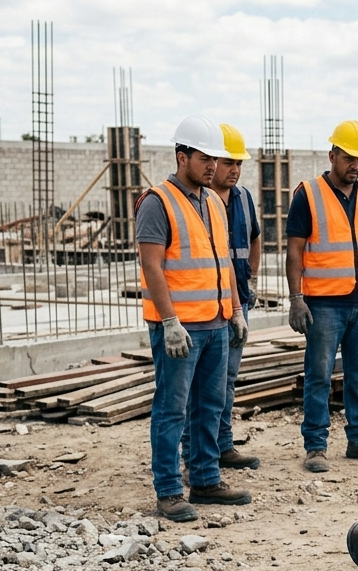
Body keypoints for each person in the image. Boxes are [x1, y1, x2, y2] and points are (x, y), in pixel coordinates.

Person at [136, 115, 250, 523]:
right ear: (182, 156)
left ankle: (204, 478)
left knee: (209, 405)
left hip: (216, 323)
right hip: (180, 329)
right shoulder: (157, 202)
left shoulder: (215, 203)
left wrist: (235, 310)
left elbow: (223, 264)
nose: (213, 166)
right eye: (205, 158)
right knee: (172, 409)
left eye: (216, 159)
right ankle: (168, 489)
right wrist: (168, 322)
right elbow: (152, 267)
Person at [286, 120, 358, 473]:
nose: (355, 166)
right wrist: (296, 298)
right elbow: (295, 250)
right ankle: (316, 446)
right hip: (323, 302)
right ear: (332, 154)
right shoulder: (308, 193)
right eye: (349, 158)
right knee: (318, 375)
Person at [181, 124, 261, 472]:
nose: (232, 170)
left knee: (224, 382)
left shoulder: (242, 199)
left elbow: (254, 239)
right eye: (227, 162)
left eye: (237, 164)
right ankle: (194, 453)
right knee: (195, 389)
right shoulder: (196, 201)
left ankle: (221, 444)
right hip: (202, 307)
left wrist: (250, 281)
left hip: (236, 301)